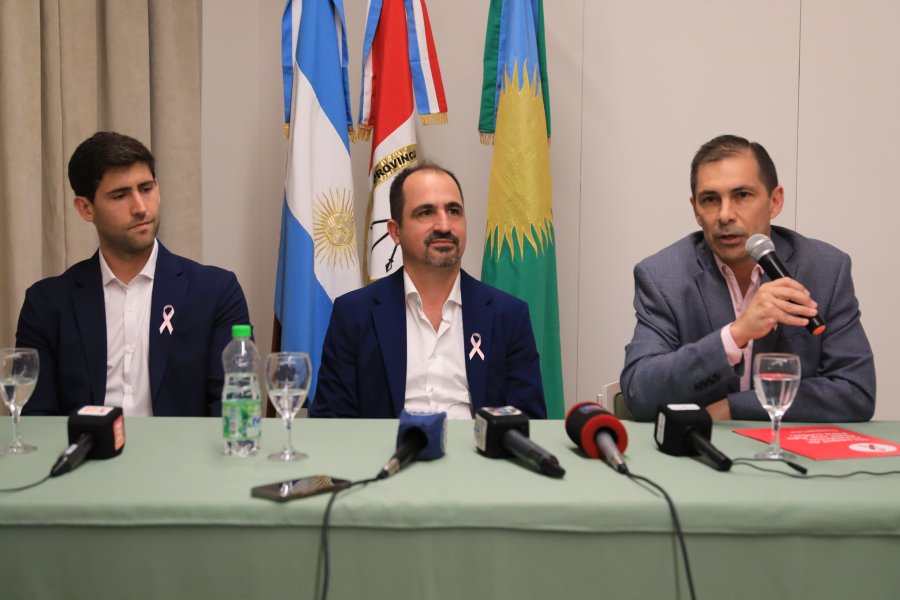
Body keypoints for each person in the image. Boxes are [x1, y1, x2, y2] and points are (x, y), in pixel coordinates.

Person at [621, 134, 875, 422]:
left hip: (792, 453)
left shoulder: (825, 269)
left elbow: (856, 391)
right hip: (700, 453)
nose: (725, 215)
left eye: (742, 195)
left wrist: (734, 407)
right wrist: (735, 334)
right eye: (710, 199)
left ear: (774, 201)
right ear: (696, 210)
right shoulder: (663, 276)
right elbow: (639, 394)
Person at [16, 131, 250, 416]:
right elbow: (36, 423)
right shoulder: (46, 304)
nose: (140, 208)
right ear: (86, 208)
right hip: (87, 458)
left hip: (183, 458)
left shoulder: (216, 292)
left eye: (146, 189)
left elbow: (232, 411)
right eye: (120, 195)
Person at [311, 161, 546, 419]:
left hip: (479, 456)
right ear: (395, 231)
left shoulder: (509, 315)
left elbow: (530, 422)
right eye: (426, 213)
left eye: (454, 211)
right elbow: (331, 421)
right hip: (386, 456)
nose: (444, 225)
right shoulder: (354, 314)